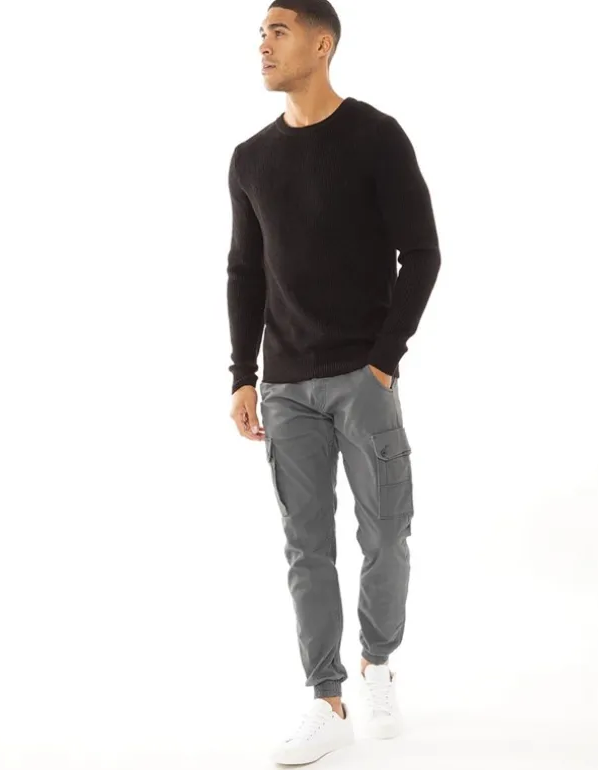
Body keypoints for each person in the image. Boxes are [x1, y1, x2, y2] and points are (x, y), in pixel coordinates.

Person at [226, 0, 441, 763]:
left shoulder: (376, 137)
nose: (263, 44)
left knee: (386, 533)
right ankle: (326, 698)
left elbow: (423, 253)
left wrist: (384, 361)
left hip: (362, 378)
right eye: (260, 33)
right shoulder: (250, 158)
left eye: (278, 31)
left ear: (322, 46)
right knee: (305, 547)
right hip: (285, 388)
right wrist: (242, 375)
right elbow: (245, 271)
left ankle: (377, 663)